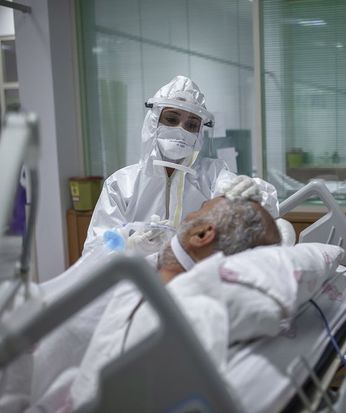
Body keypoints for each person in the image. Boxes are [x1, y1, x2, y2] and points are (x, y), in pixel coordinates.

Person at [65, 197, 281, 410]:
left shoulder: (184, 316)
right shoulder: (141, 281)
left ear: (202, 235)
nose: (187, 217)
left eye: (198, 209)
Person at [83, 75, 278, 254]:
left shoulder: (212, 174)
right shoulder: (121, 184)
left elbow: (259, 207)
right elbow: (93, 252)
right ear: (153, 121)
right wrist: (130, 246)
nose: (181, 130)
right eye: (171, 119)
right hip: (137, 278)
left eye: (191, 125)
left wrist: (254, 194)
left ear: (199, 133)